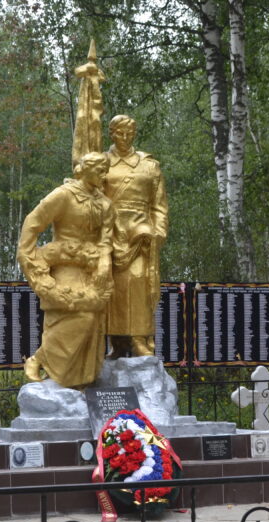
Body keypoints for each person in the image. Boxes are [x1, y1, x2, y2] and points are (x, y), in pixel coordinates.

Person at [17, 152, 115, 388]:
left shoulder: (105, 204)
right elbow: (33, 222)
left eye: (106, 170)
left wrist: (104, 263)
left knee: (93, 325)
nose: (104, 175)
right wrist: (30, 257)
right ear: (85, 169)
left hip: (92, 269)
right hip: (65, 265)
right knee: (79, 316)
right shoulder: (64, 195)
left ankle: (79, 384)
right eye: (100, 170)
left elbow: (106, 241)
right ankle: (39, 359)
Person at [104, 115, 169, 358]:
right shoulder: (101, 162)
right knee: (112, 287)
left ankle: (139, 339)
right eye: (120, 133)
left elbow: (159, 206)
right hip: (110, 232)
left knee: (139, 282)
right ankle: (117, 342)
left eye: (129, 133)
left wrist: (158, 232)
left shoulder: (149, 164)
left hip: (141, 233)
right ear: (111, 133)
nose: (125, 137)